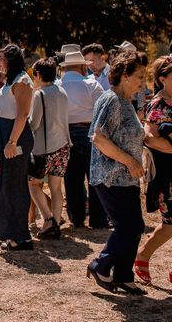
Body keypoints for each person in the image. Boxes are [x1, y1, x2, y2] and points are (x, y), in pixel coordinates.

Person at [86, 51, 147, 295]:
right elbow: (98, 138)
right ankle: (101, 265)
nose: (143, 82)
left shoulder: (126, 101)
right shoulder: (111, 100)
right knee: (128, 227)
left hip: (127, 177)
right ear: (124, 75)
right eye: (139, 76)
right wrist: (130, 161)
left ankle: (123, 276)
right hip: (110, 176)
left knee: (135, 226)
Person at [0, 44, 34, 250]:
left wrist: (12, 141)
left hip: (15, 137)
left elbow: (23, 114)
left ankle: (21, 236)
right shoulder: (9, 81)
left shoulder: (22, 81)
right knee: (7, 184)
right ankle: (9, 232)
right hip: (5, 133)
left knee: (15, 185)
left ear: (11, 60)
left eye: (1, 58)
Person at [58, 51, 107, 228]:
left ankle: (77, 218)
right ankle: (98, 218)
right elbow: (102, 111)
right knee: (95, 176)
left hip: (65, 133)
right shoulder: (92, 83)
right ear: (81, 66)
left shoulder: (58, 85)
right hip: (89, 131)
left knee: (72, 178)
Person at [134, 56, 172, 285]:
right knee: (169, 225)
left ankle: (142, 257)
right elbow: (148, 138)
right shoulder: (158, 105)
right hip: (168, 173)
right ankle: (142, 256)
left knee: (169, 226)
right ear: (163, 78)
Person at [28, 58, 71, 238]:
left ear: (38, 75)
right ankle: (56, 222)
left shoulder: (40, 94)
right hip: (63, 145)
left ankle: (48, 220)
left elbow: (34, 123)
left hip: (45, 148)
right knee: (56, 187)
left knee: (32, 183)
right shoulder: (62, 91)